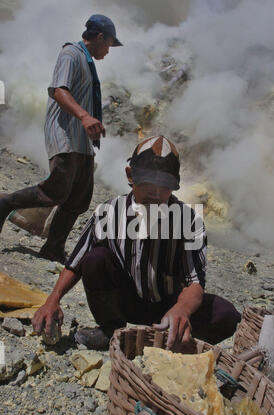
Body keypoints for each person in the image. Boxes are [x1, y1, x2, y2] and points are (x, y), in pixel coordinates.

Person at [32, 135, 241, 350]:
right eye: (147, 182)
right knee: (95, 259)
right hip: (127, 300)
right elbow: (75, 262)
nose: (156, 193)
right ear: (130, 175)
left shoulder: (188, 221)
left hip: (169, 307)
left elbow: (194, 282)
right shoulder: (109, 212)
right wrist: (53, 299)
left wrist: (182, 309)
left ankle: (170, 338)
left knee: (226, 315)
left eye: (165, 185)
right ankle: (110, 329)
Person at [0, 14, 122, 263]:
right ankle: (4, 203)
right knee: (56, 190)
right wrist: (85, 117)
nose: (109, 50)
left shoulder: (87, 62)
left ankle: (53, 248)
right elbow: (59, 91)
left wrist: (89, 124)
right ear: (99, 37)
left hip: (81, 141)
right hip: (65, 134)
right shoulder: (71, 54)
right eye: (109, 44)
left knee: (79, 198)